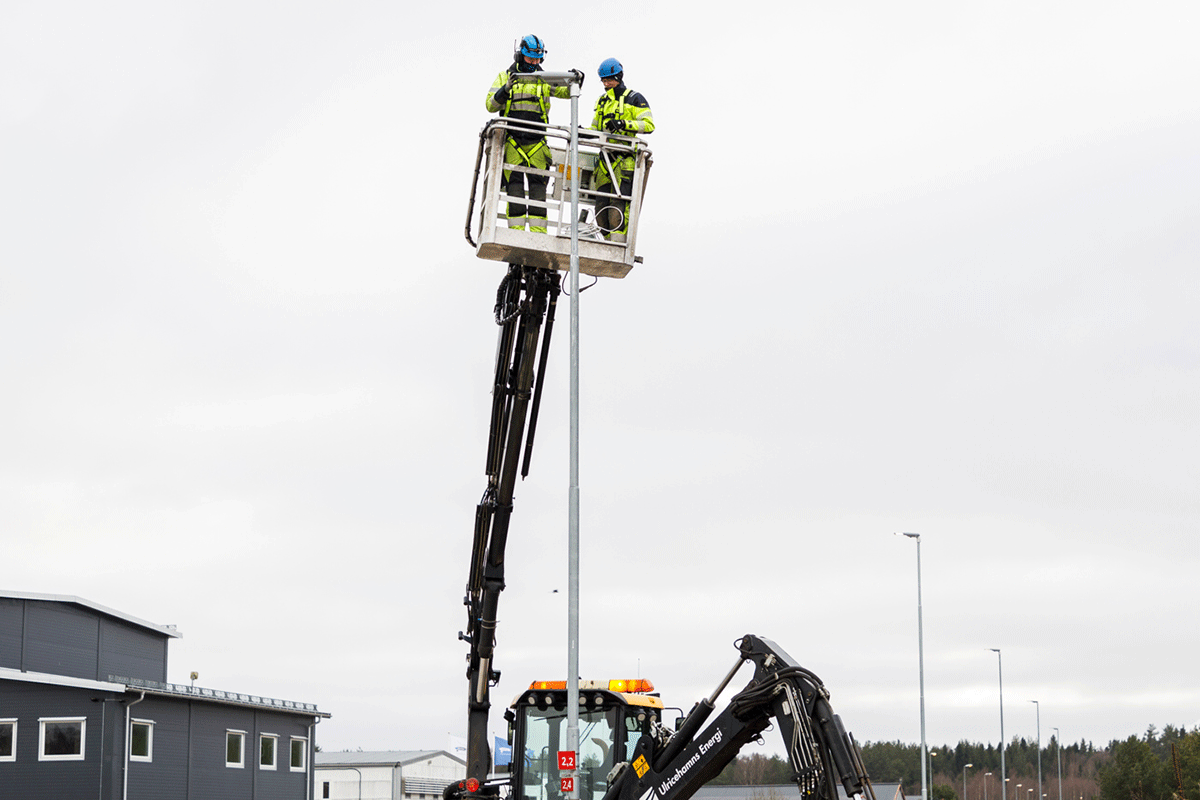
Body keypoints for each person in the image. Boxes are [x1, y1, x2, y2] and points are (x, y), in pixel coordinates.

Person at [485, 35, 572, 233]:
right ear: (520, 56)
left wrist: (576, 80)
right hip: (513, 142)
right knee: (514, 190)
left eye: (537, 59)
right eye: (530, 58)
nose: (534, 63)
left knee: (538, 191)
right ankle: (516, 234)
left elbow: (566, 92)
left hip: (537, 143)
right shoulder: (505, 77)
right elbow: (490, 105)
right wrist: (505, 89)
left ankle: (538, 235)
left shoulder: (545, 78)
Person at [590, 58, 654, 242]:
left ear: (618, 77)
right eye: (603, 81)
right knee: (601, 212)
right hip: (605, 162)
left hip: (624, 162)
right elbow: (595, 128)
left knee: (617, 212)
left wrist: (623, 123)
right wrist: (583, 132)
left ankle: (617, 245)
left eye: (609, 80)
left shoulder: (635, 98)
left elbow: (649, 125)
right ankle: (607, 243)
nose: (606, 84)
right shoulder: (602, 102)